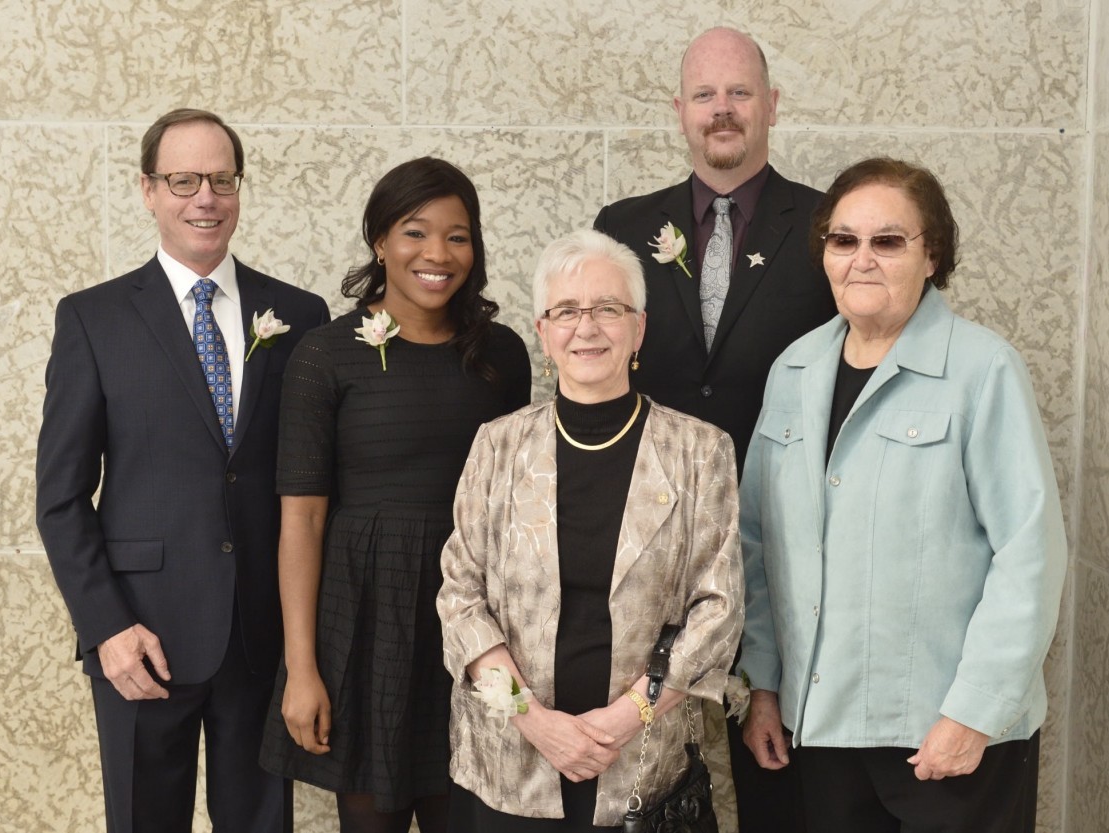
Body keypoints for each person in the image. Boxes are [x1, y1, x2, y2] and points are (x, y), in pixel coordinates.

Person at [738, 157, 1068, 833]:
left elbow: (1029, 554)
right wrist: (764, 687)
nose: (862, 258)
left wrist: (974, 711)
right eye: (843, 239)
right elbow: (757, 544)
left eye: (888, 240)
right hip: (822, 730)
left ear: (931, 255)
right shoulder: (793, 371)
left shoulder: (983, 371)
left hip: (944, 736)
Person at [36, 108, 331, 833]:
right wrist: (107, 627)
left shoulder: (299, 314)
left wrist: (309, 641)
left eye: (222, 178)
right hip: (143, 637)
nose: (206, 196)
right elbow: (61, 496)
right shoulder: (93, 319)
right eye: (184, 179)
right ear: (148, 190)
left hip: (264, 636)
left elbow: (317, 485)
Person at [594, 26, 837, 829]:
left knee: (776, 768)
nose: (722, 110)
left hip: (784, 543)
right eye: (705, 94)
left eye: (739, 92)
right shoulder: (624, 225)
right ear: (680, 111)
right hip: (652, 545)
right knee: (643, 769)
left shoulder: (826, 225)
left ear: (772, 105)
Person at [437, 228, 744, 831]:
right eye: (567, 311)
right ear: (543, 332)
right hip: (511, 765)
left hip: (641, 767)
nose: (588, 327)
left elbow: (720, 609)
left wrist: (627, 718)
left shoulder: (700, 451)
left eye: (609, 309)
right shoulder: (497, 445)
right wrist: (533, 720)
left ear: (639, 329)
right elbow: (460, 594)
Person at [257, 156, 531, 833]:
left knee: (469, 815)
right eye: (415, 231)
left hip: (473, 622)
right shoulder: (326, 355)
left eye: (458, 235)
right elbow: (303, 521)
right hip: (364, 622)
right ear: (380, 240)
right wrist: (301, 669)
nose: (438, 253)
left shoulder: (502, 355)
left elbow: (519, 509)